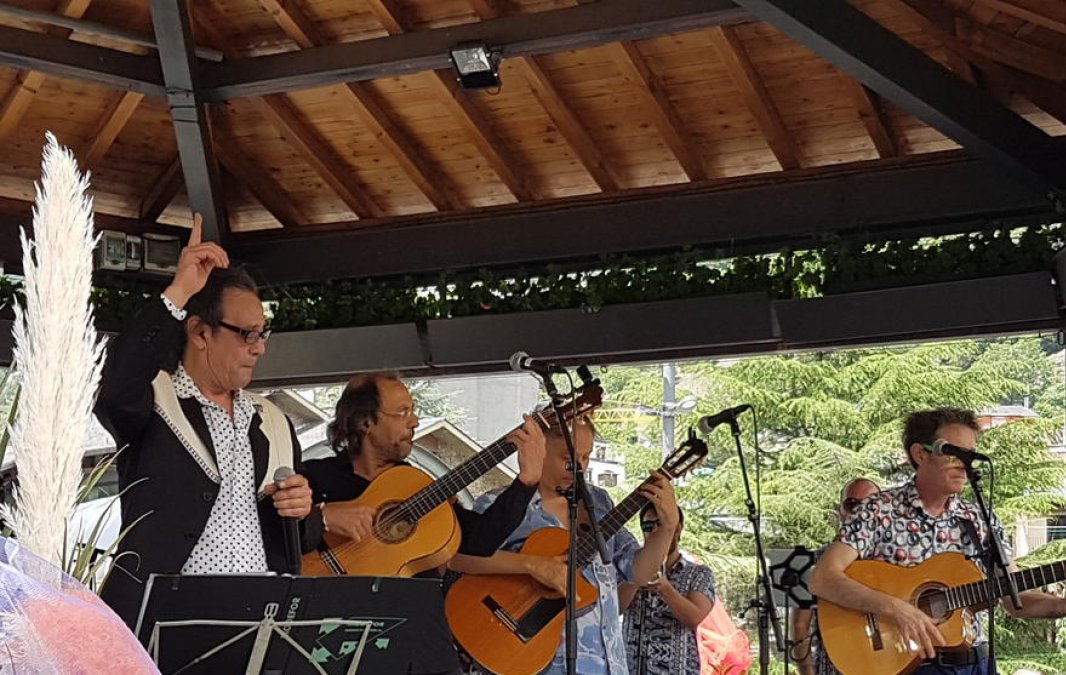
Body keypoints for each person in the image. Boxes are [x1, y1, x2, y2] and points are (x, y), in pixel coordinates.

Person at [94, 215, 317, 628]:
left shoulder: (272, 421)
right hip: (165, 620)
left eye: (263, 333)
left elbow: (297, 538)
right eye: (247, 334)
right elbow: (112, 388)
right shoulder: (156, 401)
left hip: (259, 619)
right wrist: (179, 292)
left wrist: (301, 510)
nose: (259, 348)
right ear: (199, 333)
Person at [810, 408, 1066, 675]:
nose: (964, 464)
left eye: (970, 454)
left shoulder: (978, 519)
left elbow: (1015, 599)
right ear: (920, 454)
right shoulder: (878, 511)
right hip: (908, 665)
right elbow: (823, 578)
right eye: (952, 453)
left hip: (974, 664)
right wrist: (895, 608)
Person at [302, 371, 547, 674]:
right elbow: (274, 533)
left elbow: (479, 541)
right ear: (365, 422)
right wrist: (324, 515)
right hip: (333, 635)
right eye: (402, 412)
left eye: (413, 411)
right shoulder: (315, 478)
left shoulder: (415, 485)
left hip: (418, 641)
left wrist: (526, 482)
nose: (415, 421)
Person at [451, 418, 679, 675]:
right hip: (536, 658)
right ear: (540, 449)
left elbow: (638, 573)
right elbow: (460, 558)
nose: (578, 467)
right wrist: (533, 565)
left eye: (586, 457)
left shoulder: (599, 502)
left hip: (606, 662)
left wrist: (667, 529)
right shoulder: (500, 503)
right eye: (567, 458)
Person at [789, 478, 880, 675]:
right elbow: (799, 628)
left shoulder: (892, 559)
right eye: (852, 504)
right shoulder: (813, 561)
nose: (860, 511)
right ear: (840, 510)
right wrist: (807, 672)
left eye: (869, 504)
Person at [618, 504, 715, 675]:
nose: (655, 531)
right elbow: (615, 608)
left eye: (661, 524)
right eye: (648, 526)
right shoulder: (627, 568)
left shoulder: (699, 573)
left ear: (677, 528)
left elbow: (694, 617)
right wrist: (638, 575)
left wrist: (665, 588)